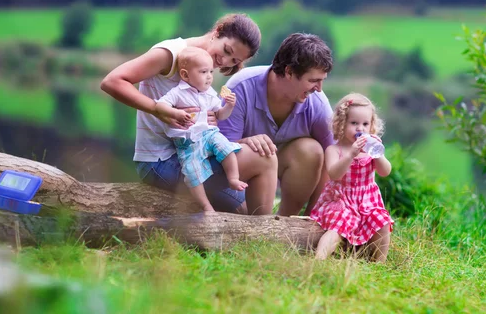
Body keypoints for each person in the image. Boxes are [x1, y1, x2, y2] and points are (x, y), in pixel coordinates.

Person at [100, 13, 277, 215]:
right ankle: (266, 233)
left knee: (245, 209)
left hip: (193, 155)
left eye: (233, 60)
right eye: (226, 50)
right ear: (217, 32)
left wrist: (211, 119)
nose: (224, 61)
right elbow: (112, 81)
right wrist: (158, 110)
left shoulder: (205, 68)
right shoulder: (170, 54)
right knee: (264, 158)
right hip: (160, 162)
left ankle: (263, 234)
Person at [218, 33, 334, 216]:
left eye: (322, 80)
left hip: (284, 163)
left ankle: (287, 220)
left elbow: (335, 157)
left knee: (312, 150)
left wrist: (315, 217)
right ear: (288, 72)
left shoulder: (317, 102)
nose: (319, 89)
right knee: (260, 154)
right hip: (236, 176)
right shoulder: (240, 87)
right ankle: (248, 213)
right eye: (313, 81)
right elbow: (218, 150)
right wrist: (246, 142)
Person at [154, 48, 246, 212]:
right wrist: (176, 113)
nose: (210, 76)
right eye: (203, 72)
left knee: (226, 147)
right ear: (185, 75)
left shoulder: (210, 93)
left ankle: (233, 178)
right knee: (192, 173)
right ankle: (205, 205)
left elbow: (221, 115)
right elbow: (160, 105)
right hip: (188, 143)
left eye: (211, 71)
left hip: (209, 134)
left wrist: (229, 106)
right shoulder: (177, 93)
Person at [310, 93, 394, 262]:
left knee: (383, 222)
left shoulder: (372, 148)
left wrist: (378, 154)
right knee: (338, 225)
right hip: (342, 200)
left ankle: (379, 263)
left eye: (365, 124)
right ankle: (319, 259)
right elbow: (334, 174)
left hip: (367, 201)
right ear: (341, 124)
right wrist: (350, 155)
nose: (360, 129)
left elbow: (386, 171)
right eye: (354, 123)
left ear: (371, 126)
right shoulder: (334, 150)